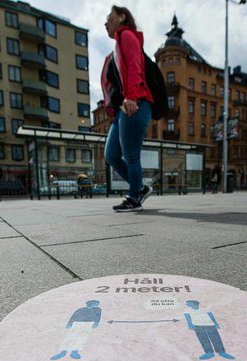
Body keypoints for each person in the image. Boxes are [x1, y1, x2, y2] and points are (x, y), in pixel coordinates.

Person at [101, 5, 153, 212]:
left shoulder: (127, 35)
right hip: (123, 108)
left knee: (131, 155)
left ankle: (134, 197)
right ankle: (139, 188)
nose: (106, 22)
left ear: (122, 17)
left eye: (109, 17)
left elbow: (135, 66)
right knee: (111, 154)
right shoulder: (115, 49)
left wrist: (131, 96)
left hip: (136, 102)